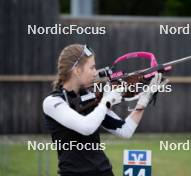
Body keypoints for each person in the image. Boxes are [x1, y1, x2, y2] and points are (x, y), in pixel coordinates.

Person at [42, 44, 165, 176]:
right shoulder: (53, 102)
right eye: (92, 67)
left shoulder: (92, 99)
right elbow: (86, 127)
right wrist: (107, 100)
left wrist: (143, 101)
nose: (96, 72)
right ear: (77, 70)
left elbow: (125, 130)